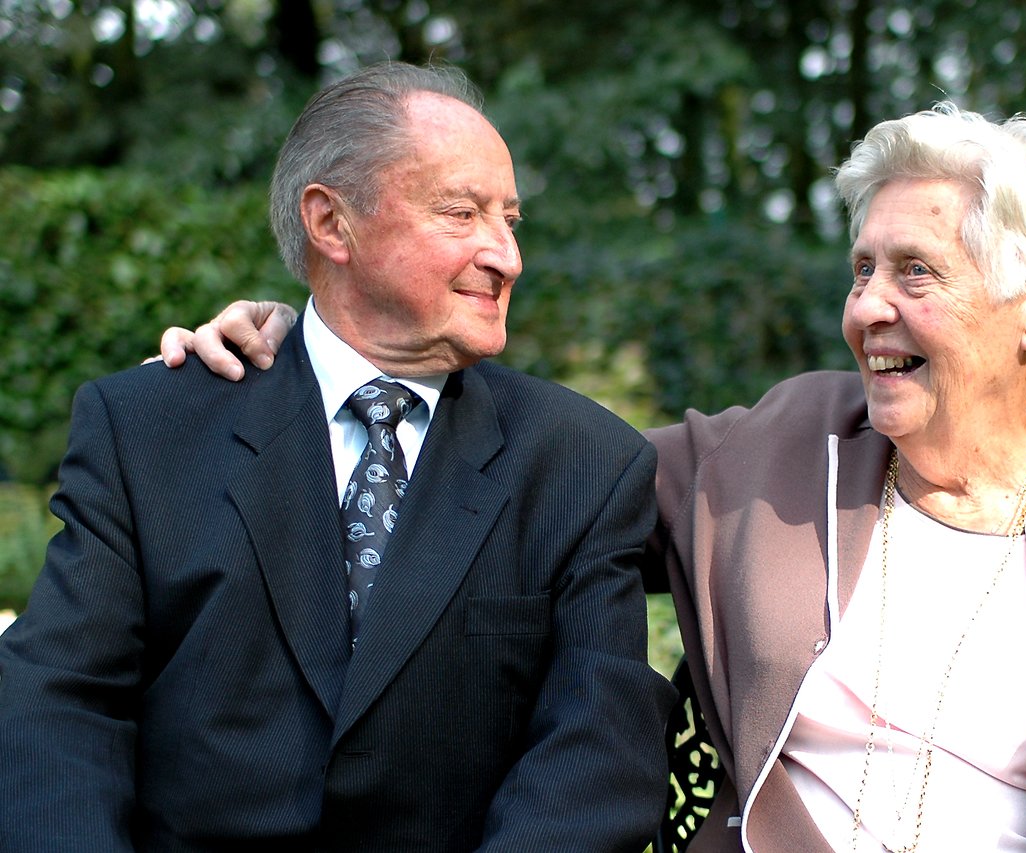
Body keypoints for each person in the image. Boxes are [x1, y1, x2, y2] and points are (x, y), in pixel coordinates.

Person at [159, 103, 1026, 851]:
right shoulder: (777, 449)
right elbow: (511, 475)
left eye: (913, 273)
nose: (864, 308)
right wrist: (317, 353)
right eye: (861, 268)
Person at [0, 61, 675, 850]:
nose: (506, 256)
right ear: (330, 222)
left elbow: (593, 763)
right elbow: (58, 702)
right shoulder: (148, 427)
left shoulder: (583, 465)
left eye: (511, 221)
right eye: (462, 213)